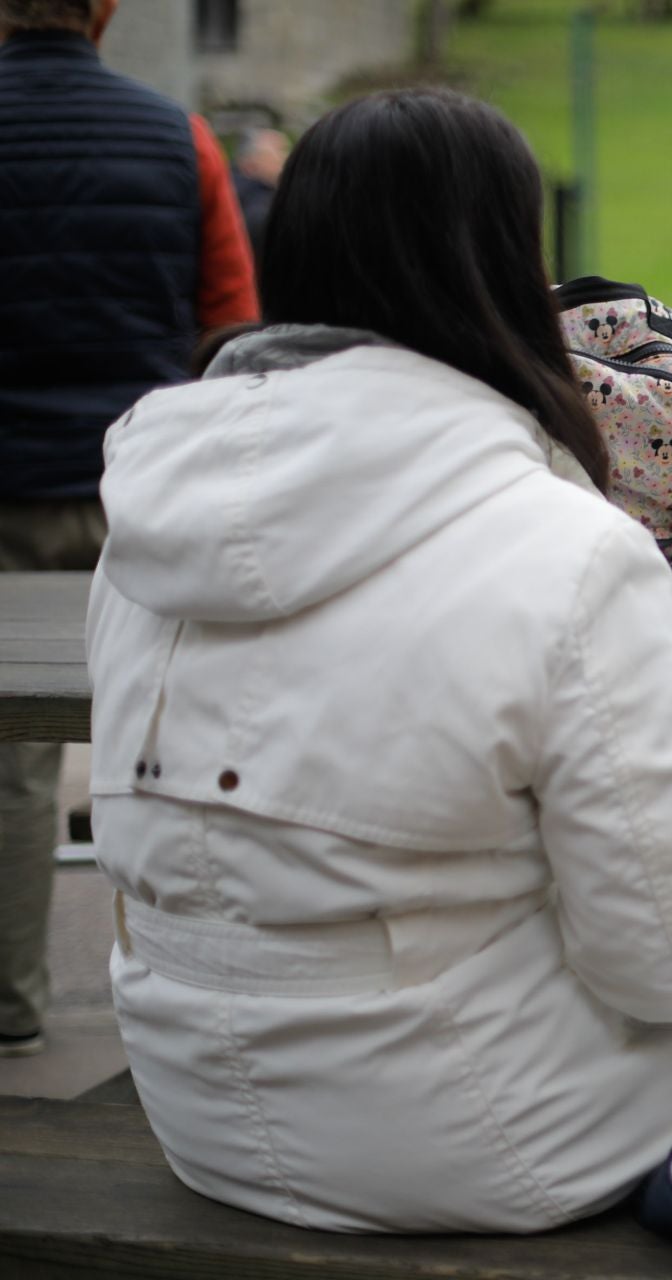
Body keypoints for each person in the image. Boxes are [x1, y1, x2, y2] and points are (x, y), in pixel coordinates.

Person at [85, 88, 672, 1233]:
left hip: (203, 1111)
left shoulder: (143, 530)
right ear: (507, 266)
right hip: (486, 1137)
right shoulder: (573, 552)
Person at [0, 0, 257, 1061]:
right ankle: (182, 998)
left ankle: (12, 1003)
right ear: (103, 11)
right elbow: (234, 324)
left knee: (11, 764)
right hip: (139, 493)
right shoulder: (180, 138)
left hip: (5, 485)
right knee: (172, 737)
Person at [231, 125, 290, 265]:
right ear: (250, 164)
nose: (288, 158)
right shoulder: (262, 210)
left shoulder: (232, 196)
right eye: (280, 151)